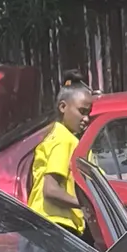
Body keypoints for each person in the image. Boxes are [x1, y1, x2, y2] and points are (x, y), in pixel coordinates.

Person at [27, 83, 95, 235]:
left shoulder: (57, 136)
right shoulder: (64, 140)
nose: (86, 119)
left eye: (89, 113)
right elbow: (50, 190)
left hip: (42, 225)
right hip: (54, 226)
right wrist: (87, 206)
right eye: (82, 112)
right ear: (63, 107)